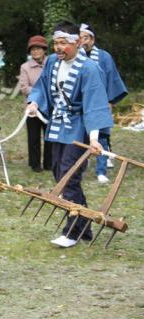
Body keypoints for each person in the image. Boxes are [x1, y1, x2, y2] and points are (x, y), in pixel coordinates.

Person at [26, 21, 113, 248]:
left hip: (80, 126)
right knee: (58, 171)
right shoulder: (53, 62)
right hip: (58, 124)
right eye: (56, 43)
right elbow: (42, 86)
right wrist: (35, 102)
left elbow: (94, 103)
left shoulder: (89, 68)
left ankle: (72, 230)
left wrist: (94, 138)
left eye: (63, 43)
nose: (58, 48)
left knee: (68, 175)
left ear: (77, 42)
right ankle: (84, 223)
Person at [79, 23, 128, 184]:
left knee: (102, 137)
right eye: (80, 38)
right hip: (80, 104)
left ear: (92, 39)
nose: (83, 41)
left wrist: (109, 101)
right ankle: (80, 166)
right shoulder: (76, 56)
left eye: (85, 37)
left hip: (100, 102)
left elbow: (112, 79)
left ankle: (101, 170)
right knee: (80, 137)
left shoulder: (104, 56)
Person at [19, 35, 52, 172]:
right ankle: (35, 164)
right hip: (32, 106)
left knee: (50, 135)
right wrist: (40, 91)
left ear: (44, 50)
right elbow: (24, 87)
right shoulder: (25, 67)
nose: (36, 51)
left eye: (38, 48)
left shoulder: (52, 63)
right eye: (33, 49)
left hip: (49, 106)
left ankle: (49, 163)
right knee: (33, 136)